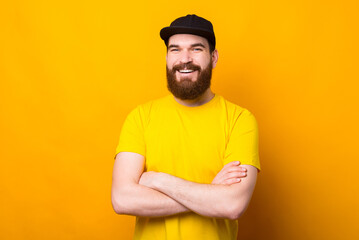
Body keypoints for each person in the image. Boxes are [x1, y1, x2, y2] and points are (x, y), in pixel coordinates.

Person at [111, 14, 261, 240]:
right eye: (175, 49)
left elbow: (232, 205)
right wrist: (210, 192)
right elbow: (122, 199)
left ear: (214, 57)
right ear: (167, 57)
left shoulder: (240, 119)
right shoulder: (141, 117)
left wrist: (157, 180)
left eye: (196, 49)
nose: (185, 59)